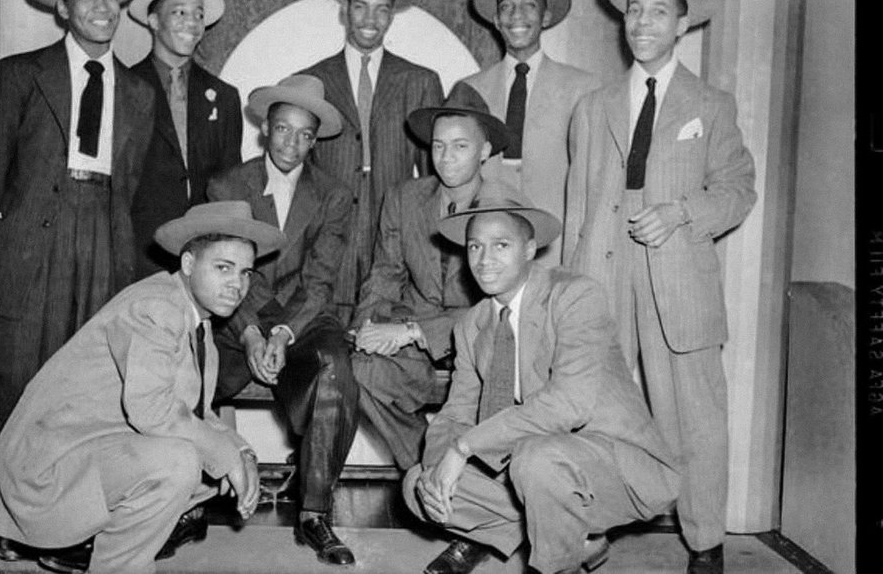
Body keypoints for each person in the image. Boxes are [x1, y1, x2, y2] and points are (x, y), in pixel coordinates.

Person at [564, 0, 757, 574]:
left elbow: (737, 190)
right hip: (605, 273)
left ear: (682, 24)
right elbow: (578, 209)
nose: (643, 23)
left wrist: (680, 213)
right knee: (600, 407)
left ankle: (705, 543)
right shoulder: (593, 108)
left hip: (679, 277)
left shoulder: (712, 104)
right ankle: (596, 526)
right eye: (634, 12)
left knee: (696, 418)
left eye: (658, 12)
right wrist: (571, 292)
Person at [0, 201, 287, 574]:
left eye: (245, 273)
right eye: (223, 268)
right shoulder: (155, 308)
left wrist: (243, 454)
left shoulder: (198, 321)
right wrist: (225, 456)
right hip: (45, 468)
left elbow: (196, 413)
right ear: (188, 264)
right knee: (179, 463)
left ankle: (91, 547)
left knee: (204, 458)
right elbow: (153, 410)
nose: (236, 286)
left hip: (88, 452)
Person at [403, 185, 680, 574]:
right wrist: (438, 470)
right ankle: (580, 540)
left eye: (501, 245)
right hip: (543, 470)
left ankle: (554, 565)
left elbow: (568, 405)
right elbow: (455, 414)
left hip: (616, 465)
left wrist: (463, 448)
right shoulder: (472, 325)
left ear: (530, 250)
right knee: (416, 484)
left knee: (536, 460)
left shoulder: (574, 297)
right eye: (475, 247)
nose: (484, 260)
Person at [0, 0, 154, 450]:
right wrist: (19, 230)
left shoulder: (138, 93)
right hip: (34, 237)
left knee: (90, 378)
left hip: (104, 239)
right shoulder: (18, 75)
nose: (102, 8)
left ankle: (73, 516)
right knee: (14, 371)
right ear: (62, 7)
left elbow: (132, 182)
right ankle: (15, 510)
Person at [206, 75, 360, 566]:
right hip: (235, 313)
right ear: (265, 129)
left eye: (304, 134)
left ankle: (315, 513)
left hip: (304, 316)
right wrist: (250, 331)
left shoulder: (334, 194)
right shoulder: (229, 184)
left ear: (315, 140)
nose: (292, 143)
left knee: (334, 366)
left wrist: (281, 332)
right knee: (187, 364)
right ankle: (186, 503)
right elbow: (224, 272)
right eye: (283, 129)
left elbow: (320, 281)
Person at [350, 92, 511, 470]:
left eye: (460, 145)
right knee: (360, 368)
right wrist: (367, 328)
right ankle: (426, 465)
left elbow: (499, 307)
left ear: (484, 150)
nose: (446, 156)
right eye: (438, 145)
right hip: (417, 339)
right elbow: (385, 272)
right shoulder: (404, 197)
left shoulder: (505, 206)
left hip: (484, 339)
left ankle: (472, 484)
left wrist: (411, 331)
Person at [299, 0, 444, 324]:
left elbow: (433, 180)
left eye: (382, 10)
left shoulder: (420, 82)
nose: (370, 19)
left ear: (392, 15)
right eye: (361, 6)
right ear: (344, 10)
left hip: (392, 240)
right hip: (330, 242)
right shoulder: (313, 81)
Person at [448, 0, 599, 262]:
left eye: (529, 4)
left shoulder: (583, 88)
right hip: (487, 245)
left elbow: (595, 181)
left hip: (554, 243)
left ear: (545, 17)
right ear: (495, 19)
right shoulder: (468, 90)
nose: (517, 14)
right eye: (506, 6)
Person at [128, 0, 243, 279]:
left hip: (201, 259)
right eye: (179, 12)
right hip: (138, 255)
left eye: (198, 14)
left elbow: (229, 184)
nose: (191, 23)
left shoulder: (224, 96)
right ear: (153, 21)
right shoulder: (123, 87)